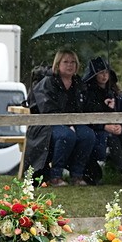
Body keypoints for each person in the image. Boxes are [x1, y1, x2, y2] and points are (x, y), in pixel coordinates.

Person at [27, 49, 96, 187]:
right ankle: (55, 176)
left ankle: (77, 175)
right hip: (49, 124)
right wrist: (66, 123)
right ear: (58, 64)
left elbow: (86, 106)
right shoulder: (48, 82)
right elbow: (47, 108)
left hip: (75, 123)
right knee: (66, 136)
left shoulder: (79, 83)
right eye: (65, 62)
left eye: (73, 62)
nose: (69, 65)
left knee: (89, 135)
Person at [81, 56, 122, 183]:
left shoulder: (117, 93)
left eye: (106, 72)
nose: (104, 76)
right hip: (99, 131)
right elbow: (88, 116)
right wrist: (104, 126)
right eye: (100, 73)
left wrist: (121, 125)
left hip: (119, 129)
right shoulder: (88, 94)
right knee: (112, 140)